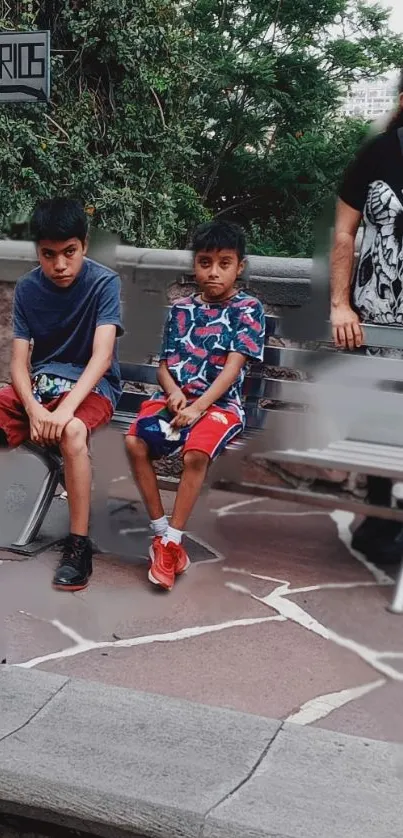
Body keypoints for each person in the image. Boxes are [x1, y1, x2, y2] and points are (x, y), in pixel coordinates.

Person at [126, 219, 265, 590]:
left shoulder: (248, 310)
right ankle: (161, 534)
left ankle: (172, 543)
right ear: (194, 265)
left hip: (220, 406)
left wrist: (197, 407)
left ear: (240, 267)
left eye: (224, 263)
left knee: (195, 454)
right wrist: (172, 392)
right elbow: (163, 366)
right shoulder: (181, 309)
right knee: (134, 441)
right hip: (175, 402)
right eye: (205, 262)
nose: (214, 272)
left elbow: (232, 371)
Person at [0, 198, 123, 590]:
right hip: (42, 389)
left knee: (71, 432)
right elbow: (19, 364)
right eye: (48, 255)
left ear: (84, 245)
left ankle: (78, 545)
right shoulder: (28, 288)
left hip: (93, 388)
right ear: (38, 251)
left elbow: (101, 358)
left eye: (69, 252)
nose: (60, 265)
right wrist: (35, 411)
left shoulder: (104, 283)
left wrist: (62, 412)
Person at [331, 69, 403, 558]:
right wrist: (340, 303)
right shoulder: (378, 153)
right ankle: (378, 516)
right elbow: (344, 234)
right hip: (377, 314)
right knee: (381, 417)